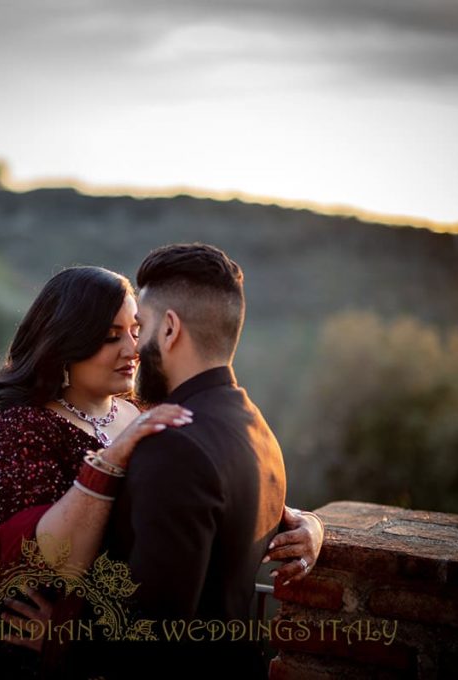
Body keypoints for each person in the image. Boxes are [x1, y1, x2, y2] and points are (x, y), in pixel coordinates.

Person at [0, 265, 322, 678]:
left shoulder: (143, 411)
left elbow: (207, 488)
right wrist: (112, 458)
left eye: (135, 330)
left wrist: (311, 525)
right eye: (110, 337)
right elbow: (46, 560)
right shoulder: (20, 427)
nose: (132, 348)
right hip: (21, 646)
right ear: (66, 342)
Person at [66, 243, 300, 679]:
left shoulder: (174, 446)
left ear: (170, 329)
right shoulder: (258, 429)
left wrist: (61, 636)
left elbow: (151, 636)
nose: (134, 349)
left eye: (142, 328)